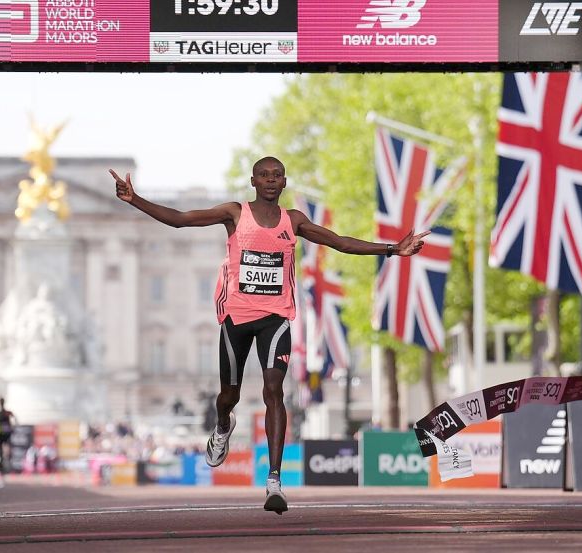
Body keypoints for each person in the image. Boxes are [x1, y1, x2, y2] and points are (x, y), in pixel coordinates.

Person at [109, 157, 428, 514]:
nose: (271, 181)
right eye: (264, 175)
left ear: (285, 182)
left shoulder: (293, 221)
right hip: (236, 319)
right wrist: (135, 200)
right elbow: (182, 220)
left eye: (277, 176)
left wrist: (392, 250)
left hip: (275, 318)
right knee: (227, 395)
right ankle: (222, 425)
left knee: (273, 389)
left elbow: (338, 242)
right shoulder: (234, 213)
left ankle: (274, 480)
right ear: (253, 181)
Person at [0, 397, 17, 487]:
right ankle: (2, 467)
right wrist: (12, 427)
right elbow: (15, 420)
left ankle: (2, 467)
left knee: (2, 452)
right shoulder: (5, 413)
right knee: (3, 451)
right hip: (3, 435)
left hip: (1, 435)